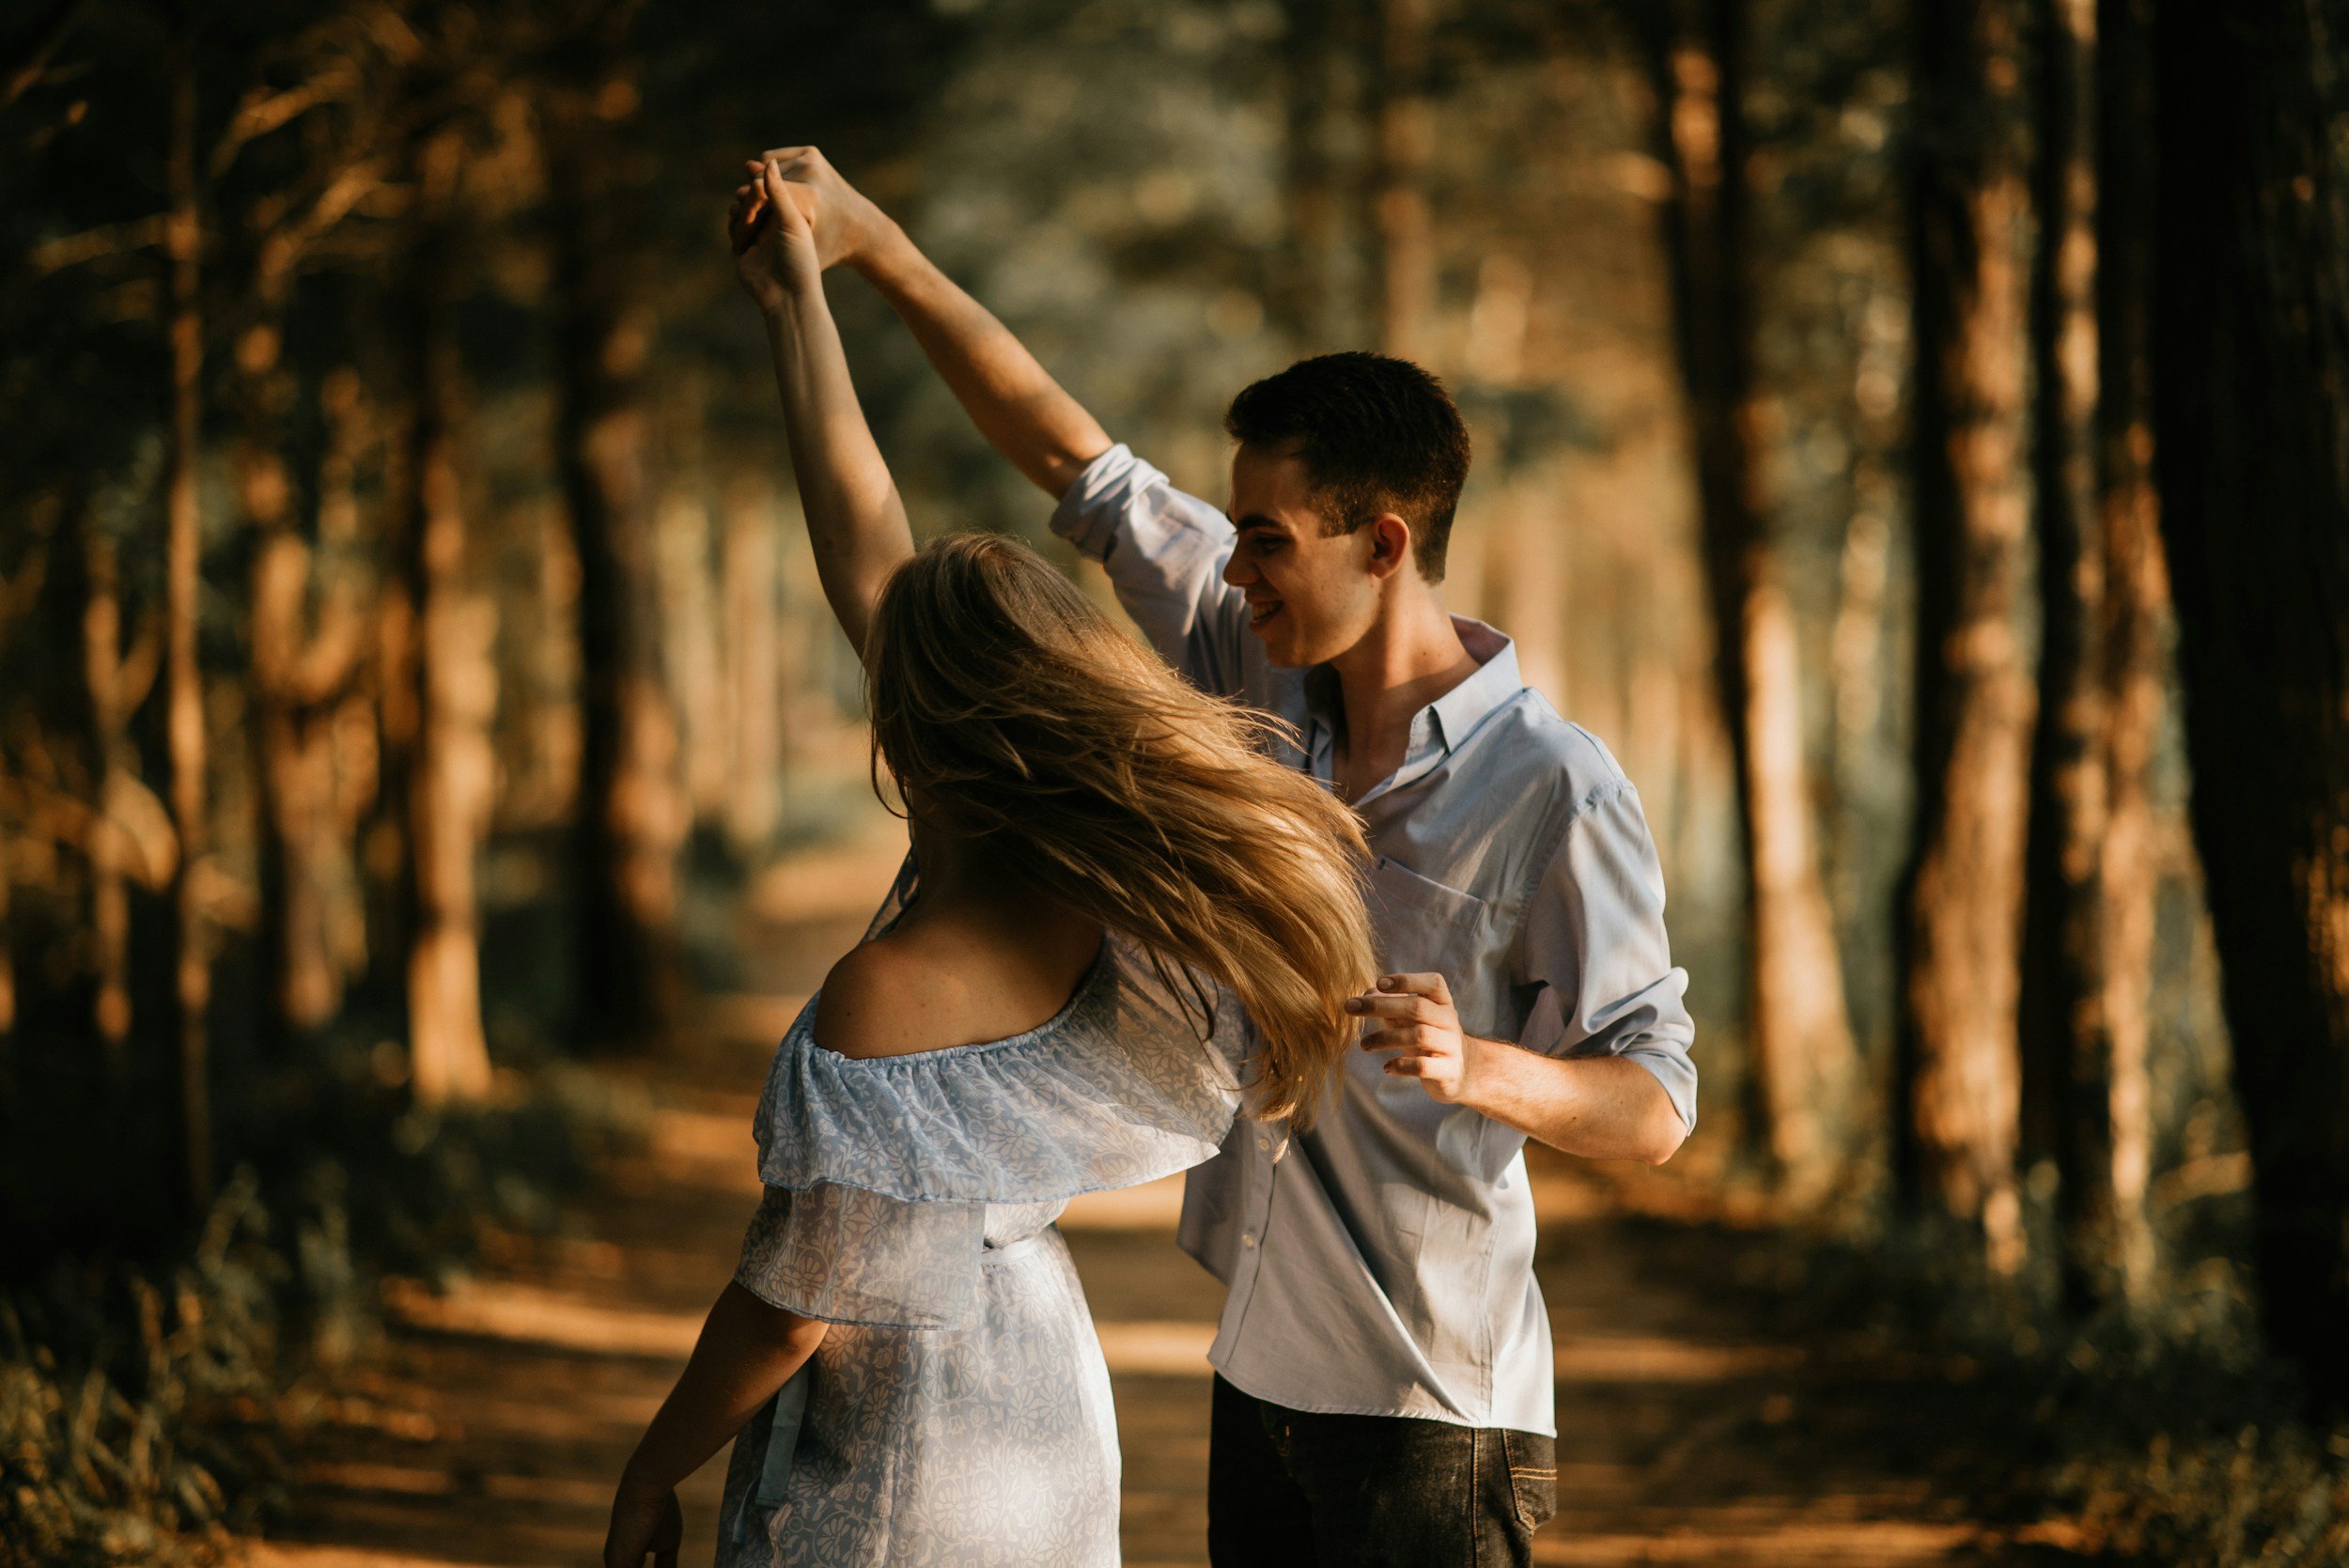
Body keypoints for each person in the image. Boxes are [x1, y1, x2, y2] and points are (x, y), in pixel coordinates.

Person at [744, 147, 1701, 1567]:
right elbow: (1076, 459)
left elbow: (1659, 1100)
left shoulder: (1553, 788)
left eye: (1264, 541)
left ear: (1384, 543)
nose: (1231, 572)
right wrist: (874, 254)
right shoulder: (1252, 666)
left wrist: (1481, 1066)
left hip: (1431, 1408)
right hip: (1255, 1373)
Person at [599, 159, 1378, 1568]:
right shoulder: (1127, 917)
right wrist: (798, 307)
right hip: (1044, 1403)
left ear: (913, 719)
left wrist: (652, 1469)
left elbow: (797, 1305)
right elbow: (866, 541)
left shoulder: (885, 993)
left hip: (909, 1449)